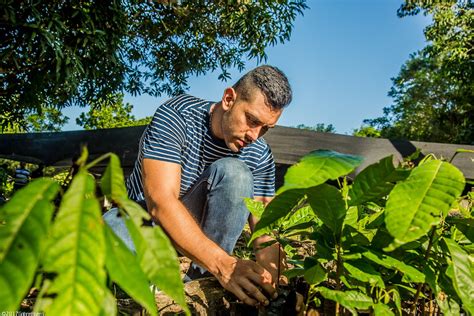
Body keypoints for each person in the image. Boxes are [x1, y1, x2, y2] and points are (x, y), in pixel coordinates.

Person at [104, 65, 293, 307]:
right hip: (144, 223)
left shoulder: (258, 152)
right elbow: (160, 201)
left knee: (236, 173)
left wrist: (278, 291)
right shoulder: (177, 117)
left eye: (266, 128)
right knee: (109, 235)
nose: (255, 135)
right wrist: (224, 264)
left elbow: (265, 228)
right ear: (228, 99)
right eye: (252, 120)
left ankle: (201, 281)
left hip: (205, 238)